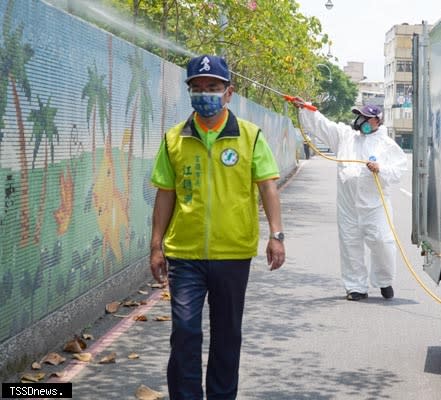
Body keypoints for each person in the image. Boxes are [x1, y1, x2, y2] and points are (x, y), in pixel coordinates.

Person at [150, 54, 286, 399]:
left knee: (227, 335)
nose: (204, 93)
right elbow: (165, 194)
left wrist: (276, 235)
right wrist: (156, 245)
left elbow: (268, 186)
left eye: (212, 87)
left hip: (233, 253)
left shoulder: (250, 137)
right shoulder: (174, 139)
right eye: (197, 87)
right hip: (185, 254)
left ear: (229, 92)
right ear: (189, 92)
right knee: (184, 332)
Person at [293, 99, 407, 301]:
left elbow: (399, 170)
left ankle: (384, 280)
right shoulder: (346, 137)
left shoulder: (387, 145)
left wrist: (380, 168)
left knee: (382, 242)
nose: (360, 120)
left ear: (376, 121)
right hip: (348, 204)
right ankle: (356, 287)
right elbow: (323, 124)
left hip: (375, 205)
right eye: (359, 115)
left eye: (365, 117)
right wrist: (306, 108)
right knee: (350, 244)